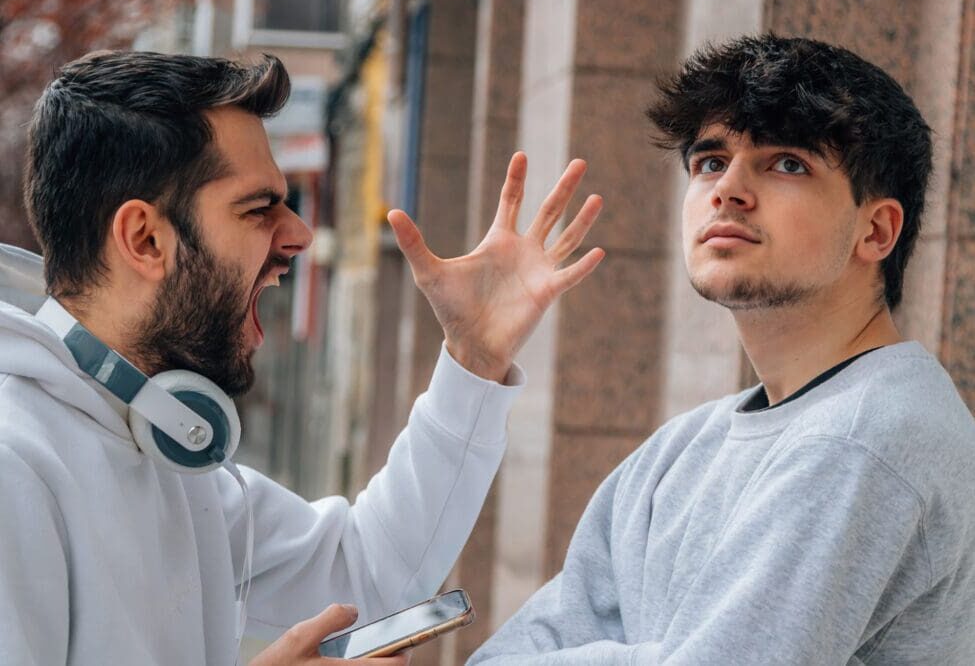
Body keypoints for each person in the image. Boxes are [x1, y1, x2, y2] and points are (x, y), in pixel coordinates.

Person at [0, 51, 606, 665]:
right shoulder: (15, 463)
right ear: (145, 239)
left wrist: (474, 357)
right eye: (258, 208)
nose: (299, 234)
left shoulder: (162, 447)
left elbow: (364, 572)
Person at [470, 34, 975, 665]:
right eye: (710, 162)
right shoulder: (678, 453)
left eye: (787, 163)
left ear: (875, 230)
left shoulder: (869, 438)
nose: (728, 190)